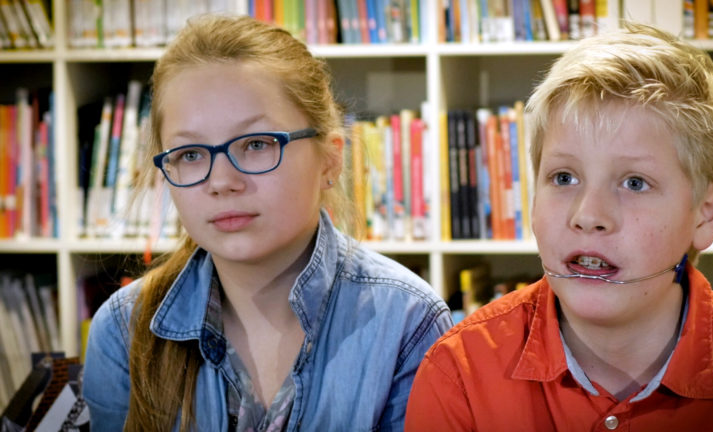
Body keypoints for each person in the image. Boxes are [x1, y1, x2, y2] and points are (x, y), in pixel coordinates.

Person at [82, 14, 452, 431]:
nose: (222, 181)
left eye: (257, 144)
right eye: (190, 155)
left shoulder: (405, 319)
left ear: (330, 160)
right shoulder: (122, 329)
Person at [405, 23, 713, 431]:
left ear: (704, 216)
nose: (588, 215)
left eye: (634, 183)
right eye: (564, 178)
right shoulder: (460, 374)